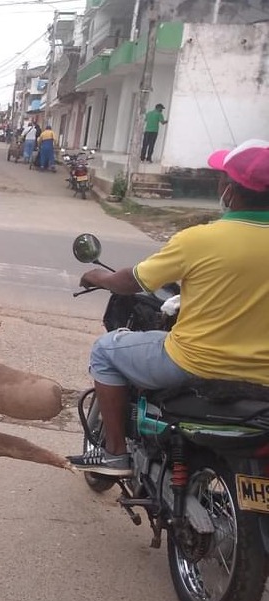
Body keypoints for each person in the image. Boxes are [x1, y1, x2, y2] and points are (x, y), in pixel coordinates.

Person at [68, 139, 269, 476]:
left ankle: (116, 453)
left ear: (229, 189)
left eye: (221, 178)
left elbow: (132, 282)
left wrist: (98, 276)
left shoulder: (200, 239)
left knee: (105, 350)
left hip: (194, 363)